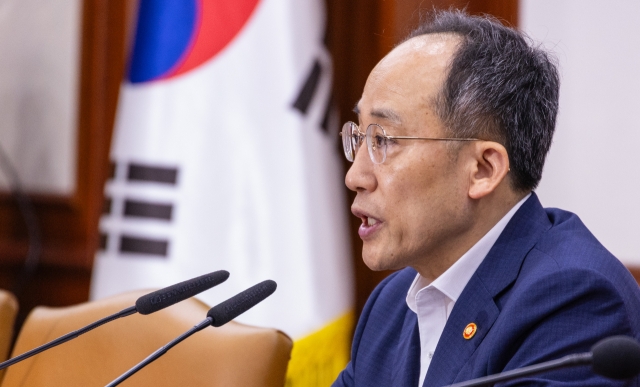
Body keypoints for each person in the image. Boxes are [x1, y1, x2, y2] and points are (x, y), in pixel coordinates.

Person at [332, 9, 640, 387]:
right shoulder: (392, 305)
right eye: (359, 137)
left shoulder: (573, 299)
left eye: (384, 140)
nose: (355, 176)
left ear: (483, 169)